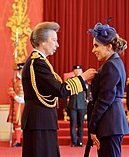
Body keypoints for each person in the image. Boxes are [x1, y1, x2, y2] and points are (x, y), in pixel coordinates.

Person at [21, 22, 97, 157]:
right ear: (43, 42)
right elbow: (59, 90)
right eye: (54, 40)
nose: (57, 45)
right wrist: (82, 78)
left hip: (42, 120)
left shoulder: (40, 61)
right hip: (39, 121)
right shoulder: (37, 62)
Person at [86, 22, 129, 157]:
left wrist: (92, 127)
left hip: (109, 124)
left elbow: (104, 100)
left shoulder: (110, 66)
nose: (93, 50)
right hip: (110, 124)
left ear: (109, 47)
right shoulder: (114, 63)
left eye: (96, 46)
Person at [67, 65, 90, 147]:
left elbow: (87, 95)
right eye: (76, 70)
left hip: (82, 106)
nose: (77, 72)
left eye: (79, 70)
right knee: (73, 124)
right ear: (73, 72)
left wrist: (87, 104)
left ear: (81, 72)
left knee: (81, 124)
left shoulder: (85, 82)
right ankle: (73, 141)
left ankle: (80, 141)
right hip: (72, 105)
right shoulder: (70, 81)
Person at [7, 63, 25, 147]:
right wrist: (16, 97)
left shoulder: (28, 79)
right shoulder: (14, 80)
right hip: (17, 103)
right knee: (18, 122)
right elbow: (10, 90)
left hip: (26, 102)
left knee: (27, 121)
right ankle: (17, 140)